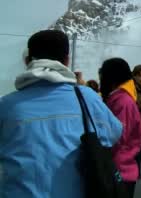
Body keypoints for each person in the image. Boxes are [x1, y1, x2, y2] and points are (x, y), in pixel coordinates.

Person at [0, 30, 122, 198]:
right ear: (66, 60)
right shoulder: (87, 98)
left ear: (28, 61)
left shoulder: (6, 105)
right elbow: (114, 133)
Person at [100, 57, 141, 198]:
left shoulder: (122, 102)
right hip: (120, 170)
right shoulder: (120, 99)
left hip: (119, 171)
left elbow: (118, 136)